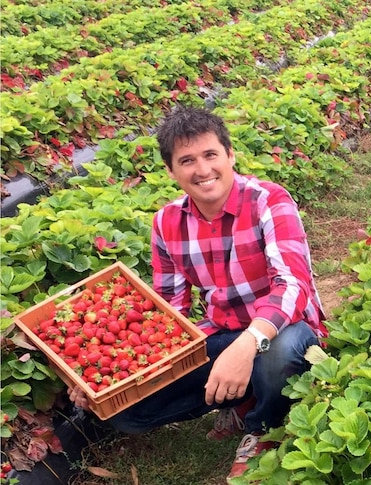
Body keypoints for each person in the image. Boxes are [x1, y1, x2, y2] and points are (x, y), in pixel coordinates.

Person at [68, 106, 327, 479]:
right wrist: (100, 378)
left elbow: (293, 285)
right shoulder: (167, 222)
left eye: (210, 155)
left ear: (230, 155)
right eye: (187, 160)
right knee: (127, 412)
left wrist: (249, 342)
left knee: (278, 354)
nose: (202, 170)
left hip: (287, 330)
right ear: (172, 171)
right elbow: (168, 311)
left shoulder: (268, 200)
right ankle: (241, 396)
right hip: (222, 334)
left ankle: (263, 426)